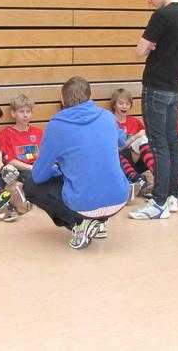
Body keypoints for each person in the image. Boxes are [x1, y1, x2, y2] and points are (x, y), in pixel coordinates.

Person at [24, 76, 129, 250]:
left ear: (63, 99)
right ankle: (98, 223)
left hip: (85, 203)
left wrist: (58, 170)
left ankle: (79, 225)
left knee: (30, 186)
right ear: (90, 96)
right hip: (119, 198)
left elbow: (39, 176)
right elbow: (123, 141)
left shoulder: (56, 125)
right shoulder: (107, 116)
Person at [130, 0, 178, 220]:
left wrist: (151, 46)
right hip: (175, 88)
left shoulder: (163, 15)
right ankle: (171, 196)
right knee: (172, 143)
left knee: (158, 145)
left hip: (156, 87)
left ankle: (158, 202)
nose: (149, 1)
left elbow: (140, 50)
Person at [109, 88, 154, 195]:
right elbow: (115, 149)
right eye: (121, 103)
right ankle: (140, 180)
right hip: (119, 160)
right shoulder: (110, 121)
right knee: (140, 138)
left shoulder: (134, 121)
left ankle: (159, 175)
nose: (124, 106)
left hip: (137, 162)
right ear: (114, 105)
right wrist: (134, 137)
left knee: (146, 140)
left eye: (127, 104)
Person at [0, 94, 42, 182]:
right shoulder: (6, 134)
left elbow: (45, 154)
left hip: (38, 168)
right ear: (13, 113)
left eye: (28, 111)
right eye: (21, 111)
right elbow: (10, 161)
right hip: (22, 171)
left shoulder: (38, 132)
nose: (25, 115)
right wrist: (31, 168)